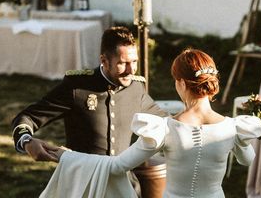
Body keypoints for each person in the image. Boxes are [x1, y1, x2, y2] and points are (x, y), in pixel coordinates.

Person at [40, 48, 261, 197]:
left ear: (182, 83)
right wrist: (240, 142)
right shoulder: (233, 128)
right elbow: (247, 160)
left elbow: (117, 166)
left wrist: (65, 156)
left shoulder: (164, 128)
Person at [11, 26, 167, 161]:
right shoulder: (77, 87)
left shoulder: (136, 88)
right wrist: (27, 141)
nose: (131, 70)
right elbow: (28, 117)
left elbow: (166, 120)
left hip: (122, 180)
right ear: (104, 61)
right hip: (84, 179)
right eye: (123, 63)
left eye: (134, 61)